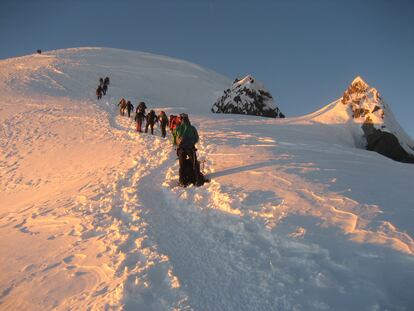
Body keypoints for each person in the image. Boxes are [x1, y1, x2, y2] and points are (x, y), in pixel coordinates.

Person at [172, 113, 202, 186]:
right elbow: (196, 138)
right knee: (194, 164)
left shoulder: (177, 128)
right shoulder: (192, 128)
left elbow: (174, 141)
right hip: (190, 148)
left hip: (181, 149)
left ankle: (182, 181)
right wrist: (191, 143)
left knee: (182, 165)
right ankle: (198, 180)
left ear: (181, 119)